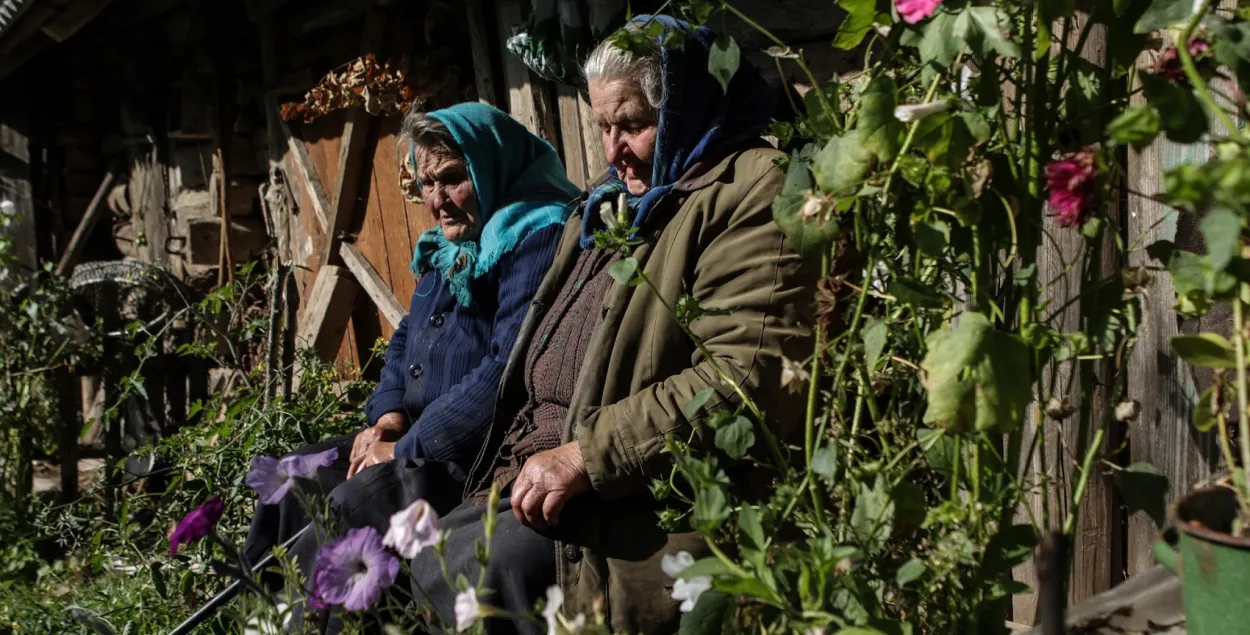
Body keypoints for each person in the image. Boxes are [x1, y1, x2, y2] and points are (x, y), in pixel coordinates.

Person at [403, 15, 816, 635]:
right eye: (602, 127)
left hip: (641, 491)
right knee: (423, 548)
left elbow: (744, 379)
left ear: (684, 108)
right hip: (537, 463)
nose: (613, 149)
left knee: (482, 567)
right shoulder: (609, 201)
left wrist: (585, 455)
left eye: (633, 125)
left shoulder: (750, 193)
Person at [242, 101, 581, 569]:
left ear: (490, 165)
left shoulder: (535, 234)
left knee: (348, 507)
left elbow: (506, 369)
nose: (437, 199)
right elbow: (407, 334)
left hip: (467, 451)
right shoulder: (453, 243)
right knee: (291, 477)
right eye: (428, 183)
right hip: (412, 438)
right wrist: (388, 416)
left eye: (452, 178)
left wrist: (403, 448)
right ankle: (261, 608)